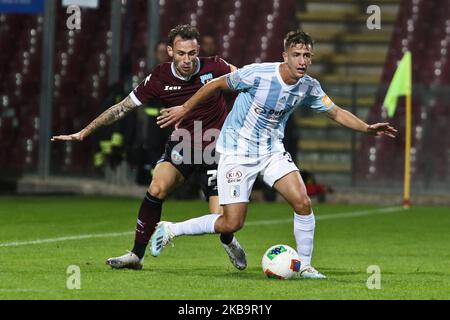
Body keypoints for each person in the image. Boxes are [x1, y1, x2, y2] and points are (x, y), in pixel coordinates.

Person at [152, 30, 397, 279]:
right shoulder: (258, 74)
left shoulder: (308, 86)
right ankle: (172, 228)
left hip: (271, 151)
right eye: (296, 55)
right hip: (237, 152)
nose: (302, 61)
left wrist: (366, 128)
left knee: (302, 202)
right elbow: (215, 84)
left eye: (307, 55)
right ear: (285, 56)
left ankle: (306, 266)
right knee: (231, 223)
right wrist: (184, 108)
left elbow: (335, 112)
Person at [51, 25, 247, 271]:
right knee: (157, 186)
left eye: (192, 53)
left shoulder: (216, 67)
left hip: (216, 149)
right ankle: (136, 255)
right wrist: (84, 132)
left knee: (223, 219)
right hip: (183, 144)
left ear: (198, 51)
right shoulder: (159, 78)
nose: (187, 60)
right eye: (181, 53)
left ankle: (227, 239)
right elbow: (121, 108)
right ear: (169, 51)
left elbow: (249, 81)